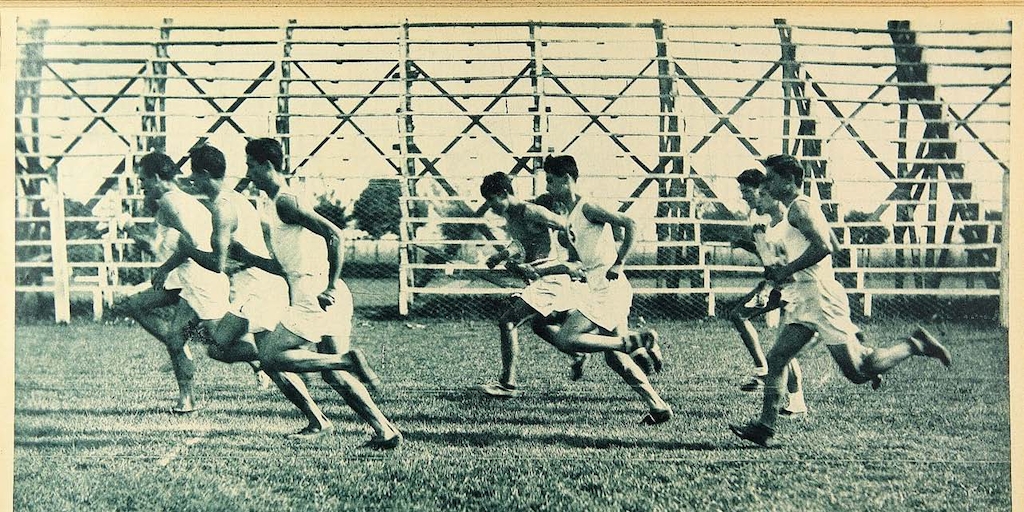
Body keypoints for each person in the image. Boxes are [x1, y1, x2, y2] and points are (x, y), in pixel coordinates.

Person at [729, 154, 952, 447]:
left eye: (770, 178)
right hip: (805, 298)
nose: (766, 183)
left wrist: (788, 268)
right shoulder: (798, 209)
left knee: (859, 372)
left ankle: (914, 344)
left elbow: (824, 248)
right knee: (777, 358)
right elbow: (832, 242)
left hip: (820, 297)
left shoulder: (799, 209)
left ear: (789, 180)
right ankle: (765, 426)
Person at [234, 138, 401, 449]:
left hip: (317, 293)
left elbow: (335, 234)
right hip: (320, 291)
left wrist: (330, 285)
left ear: (268, 166)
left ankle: (345, 361)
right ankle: (384, 430)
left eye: (251, 165)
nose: (248, 173)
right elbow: (283, 265)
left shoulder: (285, 201)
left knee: (270, 357)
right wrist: (245, 255)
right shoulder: (277, 203)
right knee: (332, 377)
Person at [176, 144, 334, 438]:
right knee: (218, 347)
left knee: (263, 358)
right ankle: (277, 356)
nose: (192, 182)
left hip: (262, 287)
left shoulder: (223, 208)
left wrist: (189, 251)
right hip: (252, 284)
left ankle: (314, 413)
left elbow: (218, 264)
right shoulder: (233, 199)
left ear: (205, 174)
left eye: (194, 176)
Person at [539, 155, 672, 425]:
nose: (548, 187)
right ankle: (658, 407)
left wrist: (619, 263)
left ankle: (634, 341)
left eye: (551, 181)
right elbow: (578, 262)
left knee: (566, 338)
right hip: (598, 287)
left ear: (566, 180)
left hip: (609, 288)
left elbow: (630, 223)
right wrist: (543, 270)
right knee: (616, 360)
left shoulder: (588, 206)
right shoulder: (571, 216)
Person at [119, 151, 231, 414]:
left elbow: (190, 243)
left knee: (224, 348)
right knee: (135, 305)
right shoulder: (179, 201)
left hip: (201, 282)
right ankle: (186, 369)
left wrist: (163, 267)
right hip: (186, 279)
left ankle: (266, 357)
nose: (142, 185)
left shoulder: (170, 203)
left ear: (158, 178)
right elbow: (162, 246)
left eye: (144, 179)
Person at [474, 171, 588, 397]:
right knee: (542, 325)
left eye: (491, 200)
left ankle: (508, 384)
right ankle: (625, 345)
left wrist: (573, 259)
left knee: (507, 321)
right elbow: (521, 242)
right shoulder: (511, 216)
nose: (490, 206)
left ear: (504, 193)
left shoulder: (531, 211)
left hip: (551, 277)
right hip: (541, 279)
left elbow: (568, 225)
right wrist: (502, 256)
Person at [728, 168, 806, 416]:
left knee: (784, 345)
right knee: (783, 346)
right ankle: (794, 401)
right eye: (743, 192)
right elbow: (769, 259)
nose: (745, 197)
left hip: (799, 287)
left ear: (766, 191)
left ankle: (764, 370)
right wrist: (749, 245)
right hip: (783, 285)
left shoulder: (787, 217)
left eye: (749, 192)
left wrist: (768, 285)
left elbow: (787, 257)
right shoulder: (761, 221)